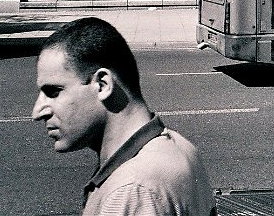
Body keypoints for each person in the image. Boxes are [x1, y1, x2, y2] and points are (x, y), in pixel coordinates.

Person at [32, 18, 216, 216]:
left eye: (53, 92)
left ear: (102, 85)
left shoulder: (130, 192)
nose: (37, 112)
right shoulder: (177, 145)